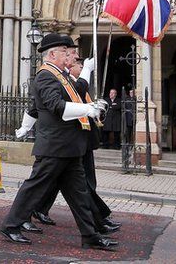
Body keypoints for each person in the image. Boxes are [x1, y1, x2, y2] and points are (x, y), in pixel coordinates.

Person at [0, 33, 116, 251]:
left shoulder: (61, 76)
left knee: (79, 193)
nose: (69, 55)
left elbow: (77, 95)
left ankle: (90, 235)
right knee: (35, 187)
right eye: (65, 51)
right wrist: (88, 109)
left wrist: (92, 100)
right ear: (52, 54)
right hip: (55, 145)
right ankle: (11, 225)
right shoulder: (45, 76)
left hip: (69, 146)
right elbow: (57, 106)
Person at [26, 54, 120, 234]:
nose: (75, 64)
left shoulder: (70, 81)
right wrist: (88, 70)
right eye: (76, 63)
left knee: (74, 186)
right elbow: (47, 106)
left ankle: (94, 227)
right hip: (62, 142)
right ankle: (19, 218)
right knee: (65, 185)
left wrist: (96, 108)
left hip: (79, 140)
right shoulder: (60, 79)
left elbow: (81, 100)